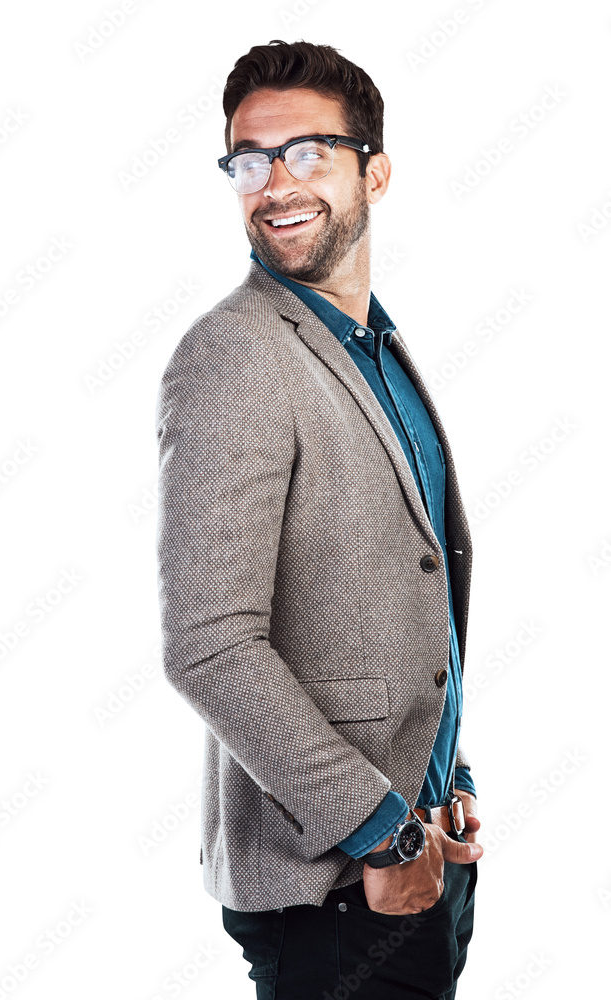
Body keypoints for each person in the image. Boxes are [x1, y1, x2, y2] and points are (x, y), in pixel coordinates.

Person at [154, 39, 484, 999]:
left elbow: (404, 585)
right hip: (333, 883)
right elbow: (208, 644)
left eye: (306, 152)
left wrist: (445, 780)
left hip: (421, 854)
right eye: (249, 160)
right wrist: (381, 828)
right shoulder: (234, 356)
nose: (273, 183)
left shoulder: (372, 345)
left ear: (372, 172)